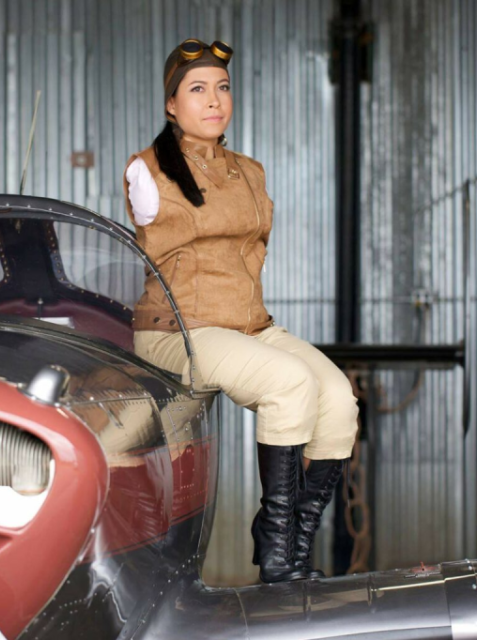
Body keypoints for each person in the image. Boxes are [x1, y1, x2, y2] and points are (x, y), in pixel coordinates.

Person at [122, 38, 359, 583]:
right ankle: (275, 549)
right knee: (289, 382)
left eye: (223, 87)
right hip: (179, 329)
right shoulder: (148, 170)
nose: (214, 100)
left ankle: (294, 547)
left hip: (250, 325)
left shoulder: (250, 171)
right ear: (171, 104)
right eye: (197, 89)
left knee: (339, 399)